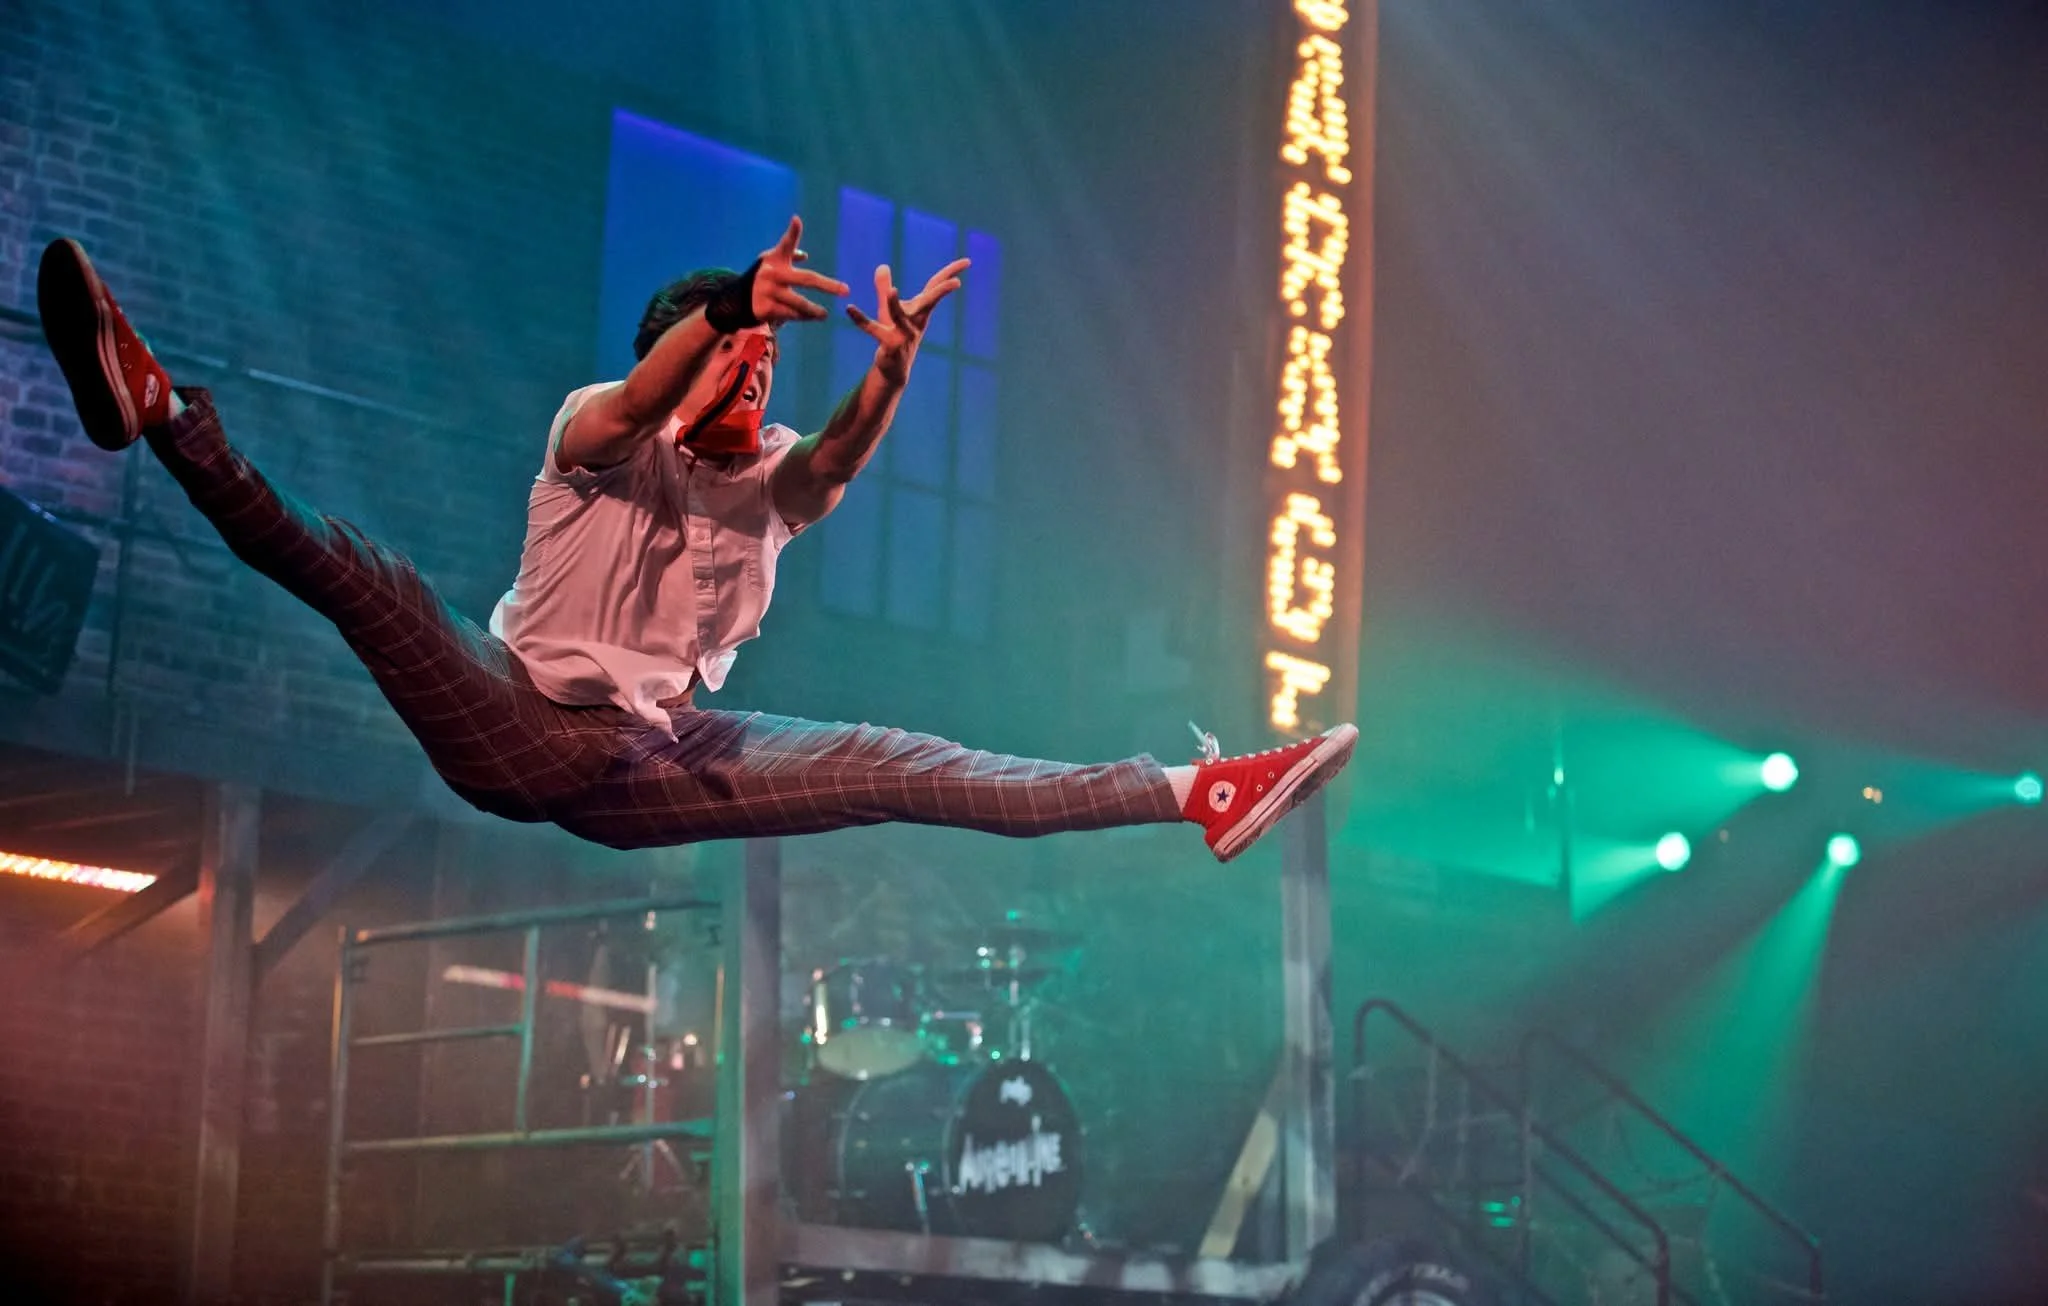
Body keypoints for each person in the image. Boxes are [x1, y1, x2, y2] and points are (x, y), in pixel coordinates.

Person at [33, 219, 1355, 860]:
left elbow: (833, 462)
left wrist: (891, 373)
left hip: (653, 761)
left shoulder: (769, 479)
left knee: (902, 763)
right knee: (368, 581)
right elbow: (642, 402)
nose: (756, 372)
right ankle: (164, 409)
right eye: (736, 353)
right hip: (517, 714)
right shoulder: (597, 431)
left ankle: (1193, 792)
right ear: (686, 356)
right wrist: (724, 308)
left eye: (767, 357)